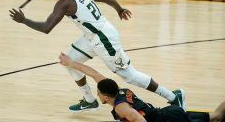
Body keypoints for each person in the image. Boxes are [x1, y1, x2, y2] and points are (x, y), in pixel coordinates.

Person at [9, 0, 185, 113]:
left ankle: (172, 96)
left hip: (104, 39)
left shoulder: (64, 2)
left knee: (129, 75)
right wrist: (119, 9)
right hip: (94, 35)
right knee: (71, 62)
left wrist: (23, 20)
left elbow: (47, 28)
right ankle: (89, 100)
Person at [59, 53, 225, 122]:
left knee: (217, 116)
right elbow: (94, 74)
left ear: (106, 97)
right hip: (168, 114)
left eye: (98, 94)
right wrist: (71, 63)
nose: (98, 95)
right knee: (217, 116)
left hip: (169, 120)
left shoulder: (121, 108)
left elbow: (140, 120)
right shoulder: (116, 90)